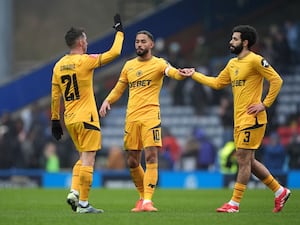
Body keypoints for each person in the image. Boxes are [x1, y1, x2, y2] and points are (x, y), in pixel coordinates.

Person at [180, 25, 290, 213]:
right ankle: (279, 191)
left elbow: (277, 80)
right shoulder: (232, 64)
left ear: (245, 42)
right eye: (232, 39)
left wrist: (265, 104)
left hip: (253, 119)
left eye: (235, 39)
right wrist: (194, 74)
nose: (231, 42)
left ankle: (234, 204)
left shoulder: (256, 60)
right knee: (249, 161)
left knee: (243, 159)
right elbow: (216, 83)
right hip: (239, 119)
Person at [99, 30, 187, 212]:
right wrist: (107, 100)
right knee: (132, 161)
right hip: (131, 118)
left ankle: (148, 200)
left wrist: (181, 74)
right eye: (137, 41)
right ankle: (142, 198)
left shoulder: (159, 63)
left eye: (143, 42)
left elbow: (171, 72)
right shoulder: (128, 66)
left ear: (151, 44)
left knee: (151, 156)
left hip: (150, 116)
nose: (139, 44)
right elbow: (119, 88)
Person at [51, 14, 124, 213]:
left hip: (71, 120)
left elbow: (55, 96)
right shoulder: (85, 61)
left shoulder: (58, 66)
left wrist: (55, 121)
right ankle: (83, 204)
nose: (88, 42)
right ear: (81, 42)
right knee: (89, 159)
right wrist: (119, 31)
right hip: (88, 118)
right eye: (86, 39)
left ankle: (73, 192)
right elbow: (115, 52)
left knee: (83, 158)